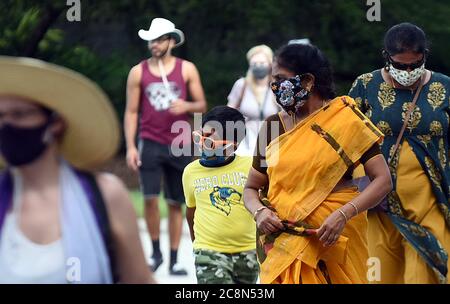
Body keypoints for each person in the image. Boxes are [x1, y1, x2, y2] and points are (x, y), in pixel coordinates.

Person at [243, 43, 392, 284]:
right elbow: (251, 188)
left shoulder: (345, 121)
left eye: (281, 79)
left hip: (335, 239)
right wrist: (259, 212)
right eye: (274, 80)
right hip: (286, 242)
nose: (276, 87)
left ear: (308, 81)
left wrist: (343, 215)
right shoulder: (273, 127)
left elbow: (383, 180)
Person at [0, 56, 154, 283]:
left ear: (55, 123)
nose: (7, 125)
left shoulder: (105, 195)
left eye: (20, 114)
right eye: (0, 116)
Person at [349, 22, 450, 284]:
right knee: (379, 276)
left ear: (424, 56)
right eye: (401, 65)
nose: (408, 71)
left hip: (431, 203)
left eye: (415, 65)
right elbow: (346, 140)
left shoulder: (445, 87)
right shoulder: (365, 86)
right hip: (380, 206)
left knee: (426, 275)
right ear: (387, 58)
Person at [124, 17, 207, 275]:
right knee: (150, 199)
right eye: (152, 40)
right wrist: (130, 146)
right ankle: (156, 252)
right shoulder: (138, 72)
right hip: (149, 141)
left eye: (159, 39)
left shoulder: (186, 69)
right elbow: (131, 111)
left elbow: (201, 105)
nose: (154, 45)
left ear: (171, 41)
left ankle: (173, 258)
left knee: (175, 202)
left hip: (179, 142)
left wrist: (186, 106)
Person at [183, 106, 259, 284]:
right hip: (208, 252)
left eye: (211, 142)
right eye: (201, 137)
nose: (203, 144)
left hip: (248, 253)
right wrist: (198, 246)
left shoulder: (251, 168)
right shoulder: (190, 172)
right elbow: (190, 212)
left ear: (234, 145)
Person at [227, 45, 279, 156]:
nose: (258, 67)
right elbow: (228, 112)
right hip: (246, 141)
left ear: (270, 64)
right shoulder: (241, 85)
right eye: (254, 64)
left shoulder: (277, 87)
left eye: (262, 63)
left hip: (273, 139)